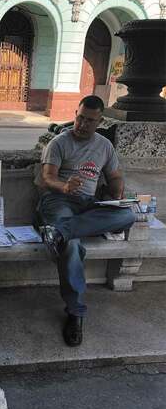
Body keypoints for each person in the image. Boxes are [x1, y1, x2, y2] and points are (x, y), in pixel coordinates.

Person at [37, 95, 135, 347]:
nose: (82, 124)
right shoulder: (59, 142)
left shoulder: (104, 146)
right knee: (71, 246)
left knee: (128, 214)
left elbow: (114, 177)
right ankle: (76, 313)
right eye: (80, 118)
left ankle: (58, 232)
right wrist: (64, 186)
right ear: (76, 113)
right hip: (59, 201)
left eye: (89, 121)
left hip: (89, 206)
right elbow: (47, 178)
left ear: (99, 121)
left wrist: (117, 193)